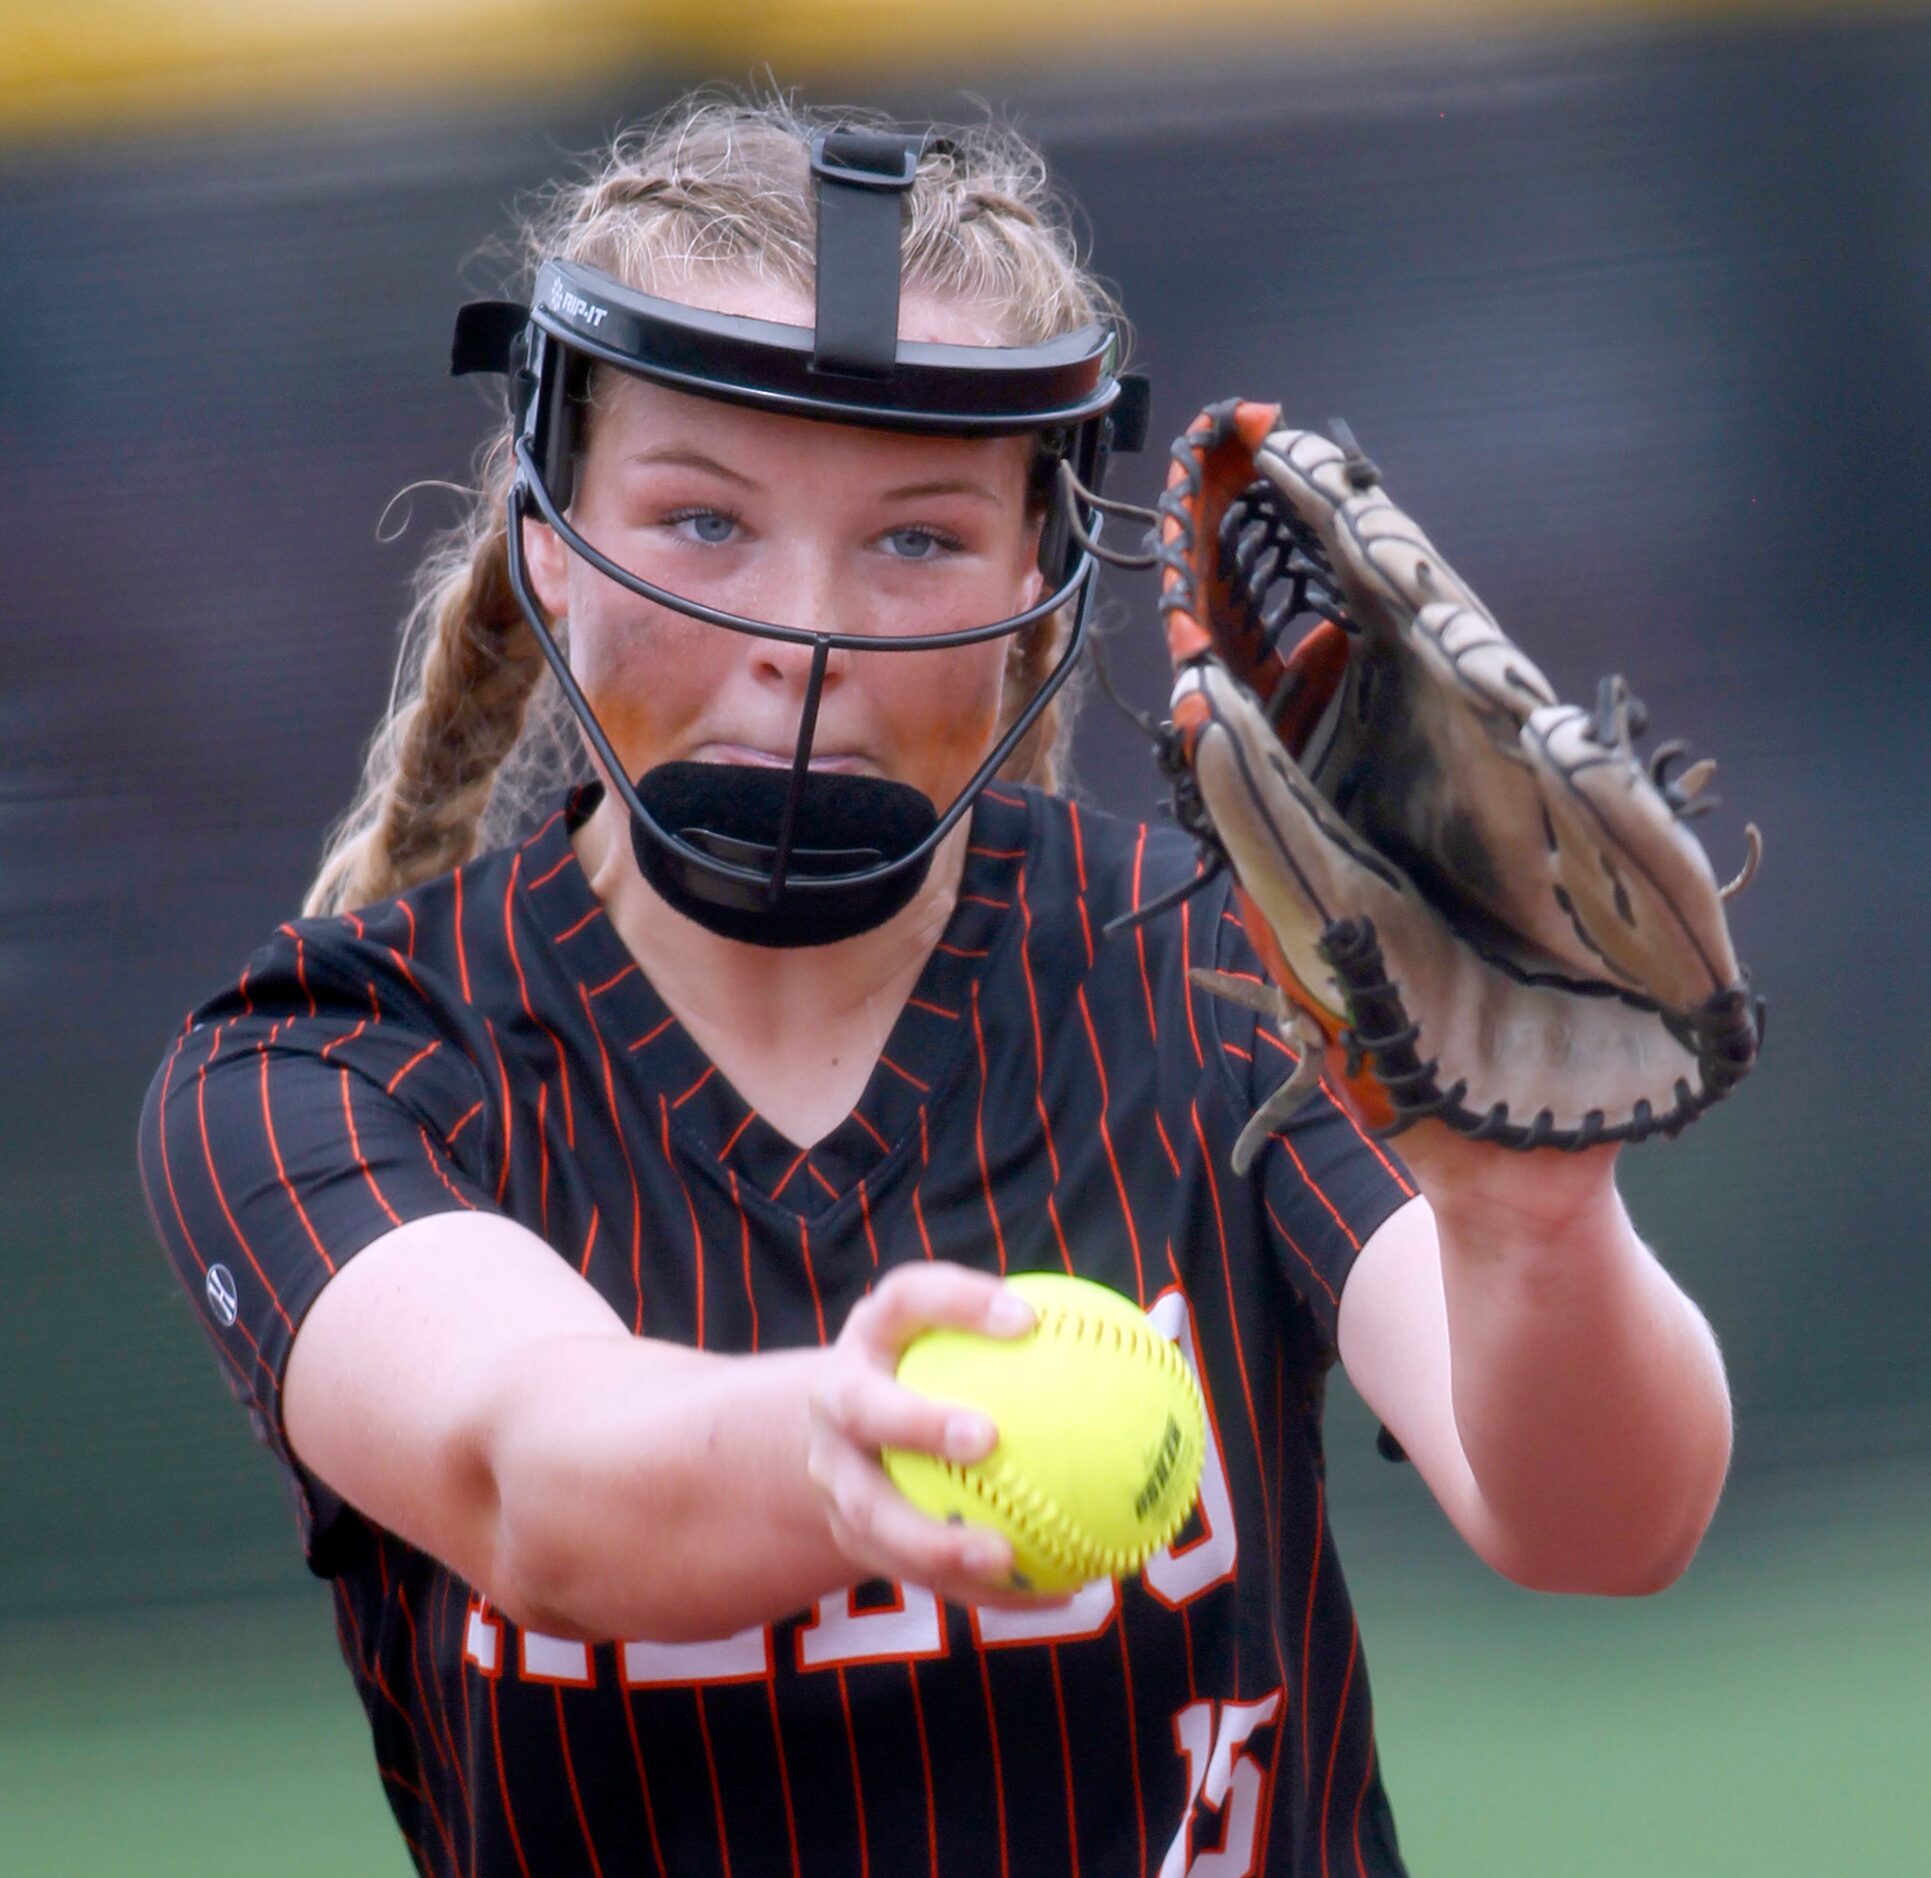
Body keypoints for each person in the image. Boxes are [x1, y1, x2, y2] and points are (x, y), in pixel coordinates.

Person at [137, 95, 1733, 1878]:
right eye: (700, 520)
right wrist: (845, 1434)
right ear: (545, 544)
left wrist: (1531, 1213)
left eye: (916, 539)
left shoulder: (1212, 969)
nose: (802, 637)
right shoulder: (321, 1065)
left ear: (1044, 593)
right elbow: (525, 1474)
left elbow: (1605, 1523)